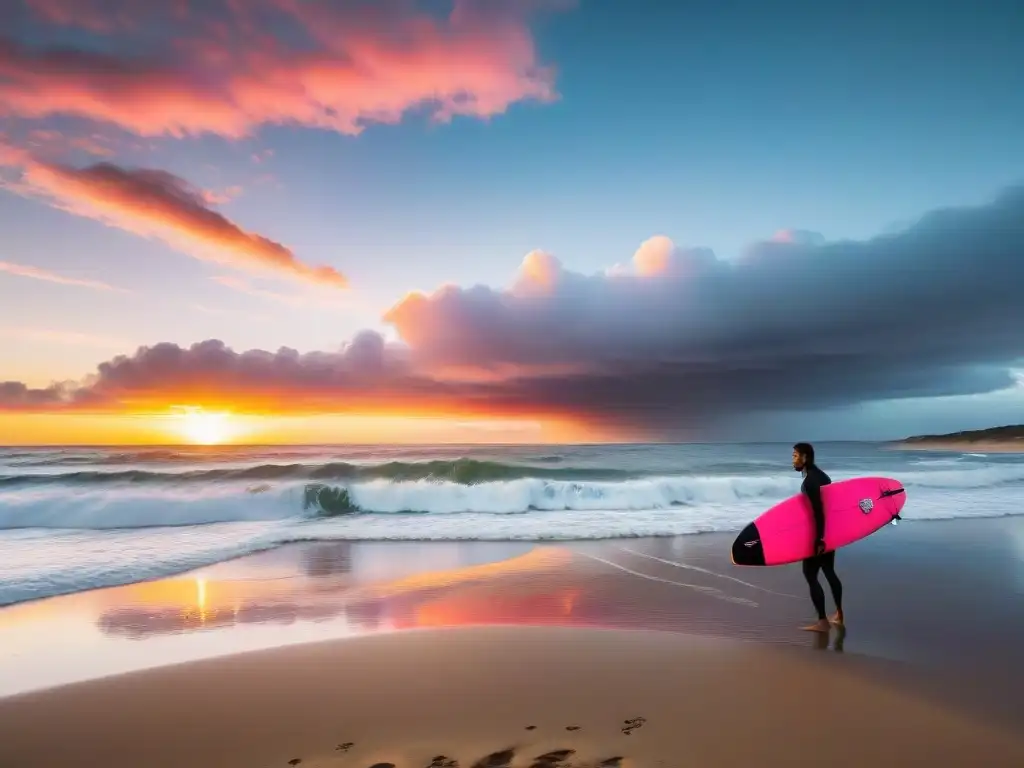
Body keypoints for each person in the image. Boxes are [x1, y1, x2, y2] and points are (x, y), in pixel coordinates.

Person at [792, 442, 844, 632]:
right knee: (829, 571)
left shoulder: (810, 481)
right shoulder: (823, 476)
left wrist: (818, 539)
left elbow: (818, 512)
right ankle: (839, 614)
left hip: (819, 536)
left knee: (810, 574)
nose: (793, 460)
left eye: (795, 456)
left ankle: (822, 622)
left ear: (805, 458)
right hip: (830, 533)